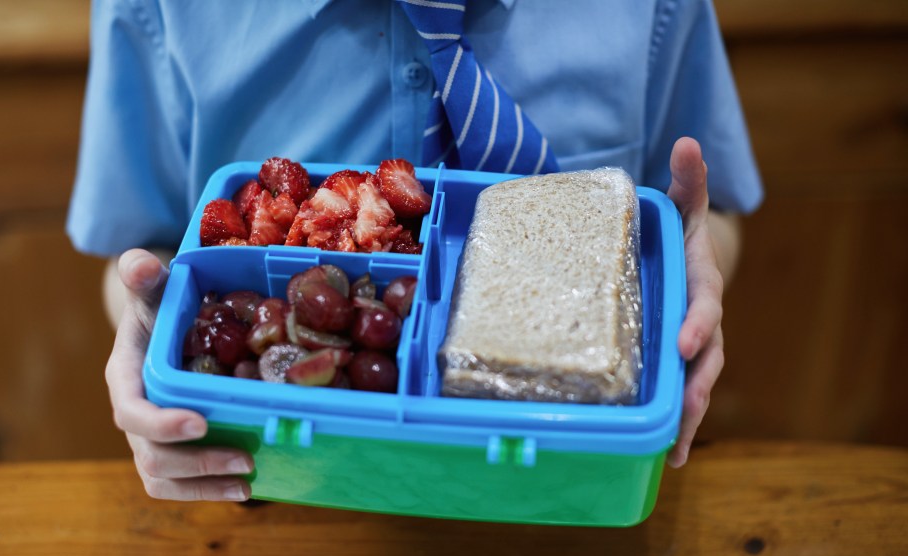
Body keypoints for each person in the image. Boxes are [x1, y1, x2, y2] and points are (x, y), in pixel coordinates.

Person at [70, 0, 763, 501]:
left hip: (572, 486)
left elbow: (707, 219)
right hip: (297, 495)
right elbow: (143, 257)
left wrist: (694, 267)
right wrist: (151, 333)